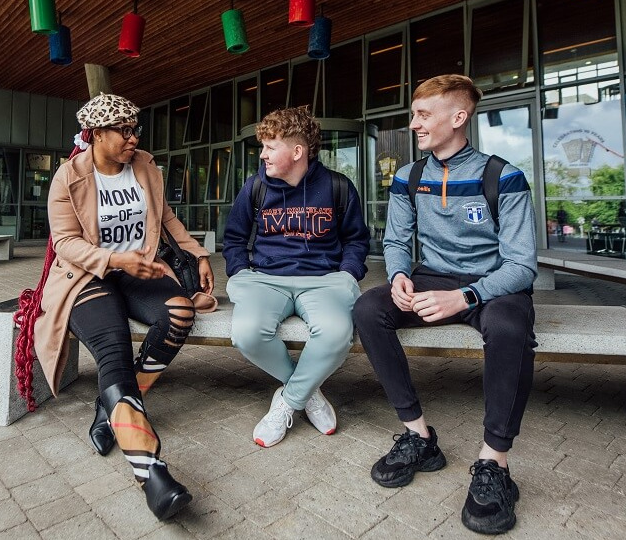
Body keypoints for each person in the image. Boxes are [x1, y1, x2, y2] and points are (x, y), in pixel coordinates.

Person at [13, 93, 217, 521]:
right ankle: (153, 474)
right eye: (124, 131)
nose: (133, 138)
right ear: (96, 135)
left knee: (180, 312)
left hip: (138, 269)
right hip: (87, 276)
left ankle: (115, 406)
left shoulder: (144, 165)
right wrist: (113, 259)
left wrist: (198, 254)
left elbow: (166, 219)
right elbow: (65, 243)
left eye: (134, 129)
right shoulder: (68, 178)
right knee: (114, 346)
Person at [353, 75, 537, 536]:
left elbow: (522, 264)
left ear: (458, 118)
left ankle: (494, 462)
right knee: (368, 309)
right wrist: (398, 275)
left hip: (492, 284)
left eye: (422, 114)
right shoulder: (409, 177)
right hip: (431, 277)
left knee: (511, 329)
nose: (413, 123)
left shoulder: (504, 175)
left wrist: (465, 296)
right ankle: (419, 436)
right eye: (413, 114)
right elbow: (396, 240)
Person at [222, 106, 370, 448]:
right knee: (246, 334)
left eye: (270, 147)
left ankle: (287, 403)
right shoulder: (256, 186)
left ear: (297, 151)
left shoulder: (337, 186)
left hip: (323, 279)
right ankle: (307, 392)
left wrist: (349, 275)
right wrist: (240, 271)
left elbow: (356, 240)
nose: (263, 155)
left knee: (336, 334)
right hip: (266, 279)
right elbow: (233, 238)